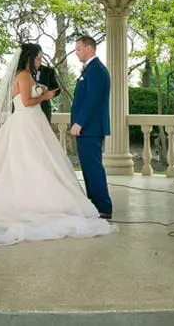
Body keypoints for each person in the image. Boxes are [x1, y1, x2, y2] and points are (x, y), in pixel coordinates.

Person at [0, 43, 116, 246]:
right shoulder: (23, 74)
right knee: (26, 162)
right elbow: (27, 101)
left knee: (44, 161)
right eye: (38, 58)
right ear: (29, 58)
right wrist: (44, 96)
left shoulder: (30, 75)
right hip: (25, 122)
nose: (40, 61)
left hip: (34, 122)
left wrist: (42, 91)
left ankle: (94, 203)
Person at [70, 35, 113, 219]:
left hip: (90, 128)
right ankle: (95, 205)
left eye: (78, 48)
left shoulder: (96, 70)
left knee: (93, 168)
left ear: (89, 48)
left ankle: (103, 207)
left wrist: (79, 122)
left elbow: (92, 100)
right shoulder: (90, 70)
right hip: (88, 128)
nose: (76, 52)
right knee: (88, 168)